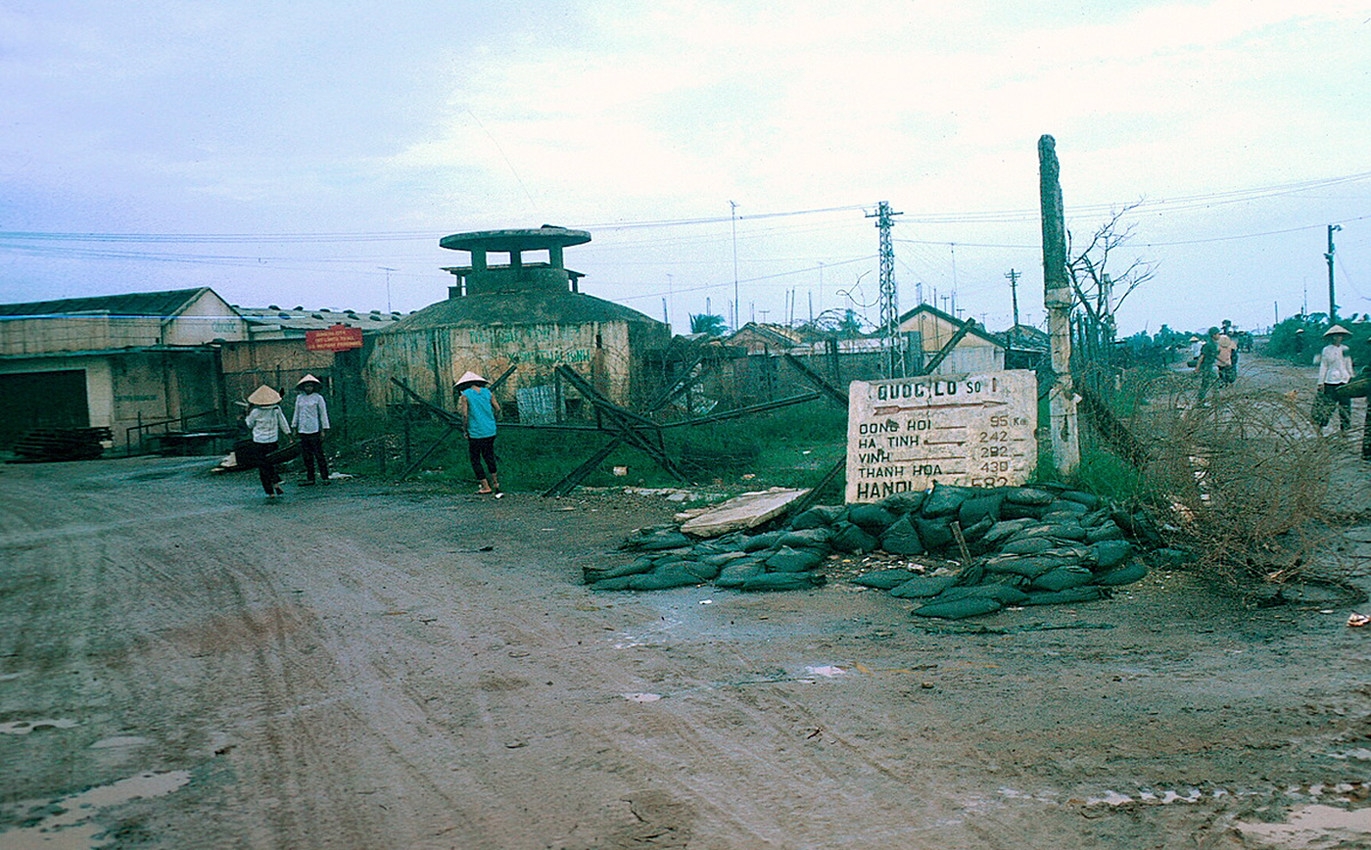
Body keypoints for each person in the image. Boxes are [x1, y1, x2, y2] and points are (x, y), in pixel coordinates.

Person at [455, 370, 502, 495]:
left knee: (475, 458)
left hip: (475, 431)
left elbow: (465, 415)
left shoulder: (465, 395)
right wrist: (493, 420)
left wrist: (465, 430)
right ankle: (496, 483)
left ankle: (485, 486)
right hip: (490, 430)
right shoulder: (488, 392)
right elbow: (497, 409)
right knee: (489, 455)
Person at [245, 385, 291, 497]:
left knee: (263, 466)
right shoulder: (276, 409)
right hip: (272, 441)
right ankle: (275, 482)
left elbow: (249, 425)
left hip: (259, 442)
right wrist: (289, 435)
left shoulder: (255, 411)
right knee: (270, 464)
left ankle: (270, 491)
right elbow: (283, 423)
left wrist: (247, 414)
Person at [291, 374, 331, 486]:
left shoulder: (318, 398)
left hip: (314, 429)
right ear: (303, 387)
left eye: (310, 386)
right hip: (302, 430)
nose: (308, 388)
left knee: (319, 455)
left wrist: (324, 429)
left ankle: (325, 476)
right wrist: (294, 427)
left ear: (314, 387)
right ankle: (310, 478)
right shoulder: (299, 398)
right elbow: (297, 413)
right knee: (307, 456)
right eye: (306, 386)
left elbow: (323, 414)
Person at [1315, 324, 1354, 433]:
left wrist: (1352, 378)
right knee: (1329, 406)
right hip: (1331, 381)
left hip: (1344, 380)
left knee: (1345, 407)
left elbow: (1348, 364)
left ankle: (1345, 430)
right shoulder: (1326, 350)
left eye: (1340, 336)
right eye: (1336, 336)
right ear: (1332, 337)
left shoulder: (1345, 349)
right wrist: (1320, 382)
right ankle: (1321, 427)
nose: (1338, 338)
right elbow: (1324, 366)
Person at [1196, 327, 1220, 405]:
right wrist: (1197, 368)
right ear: (1213, 335)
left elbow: (1214, 356)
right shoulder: (1208, 345)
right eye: (1218, 334)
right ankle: (1214, 400)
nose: (1219, 336)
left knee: (1207, 383)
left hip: (1210, 366)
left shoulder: (1213, 344)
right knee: (1209, 383)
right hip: (1207, 367)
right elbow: (1201, 357)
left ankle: (1211, 399)